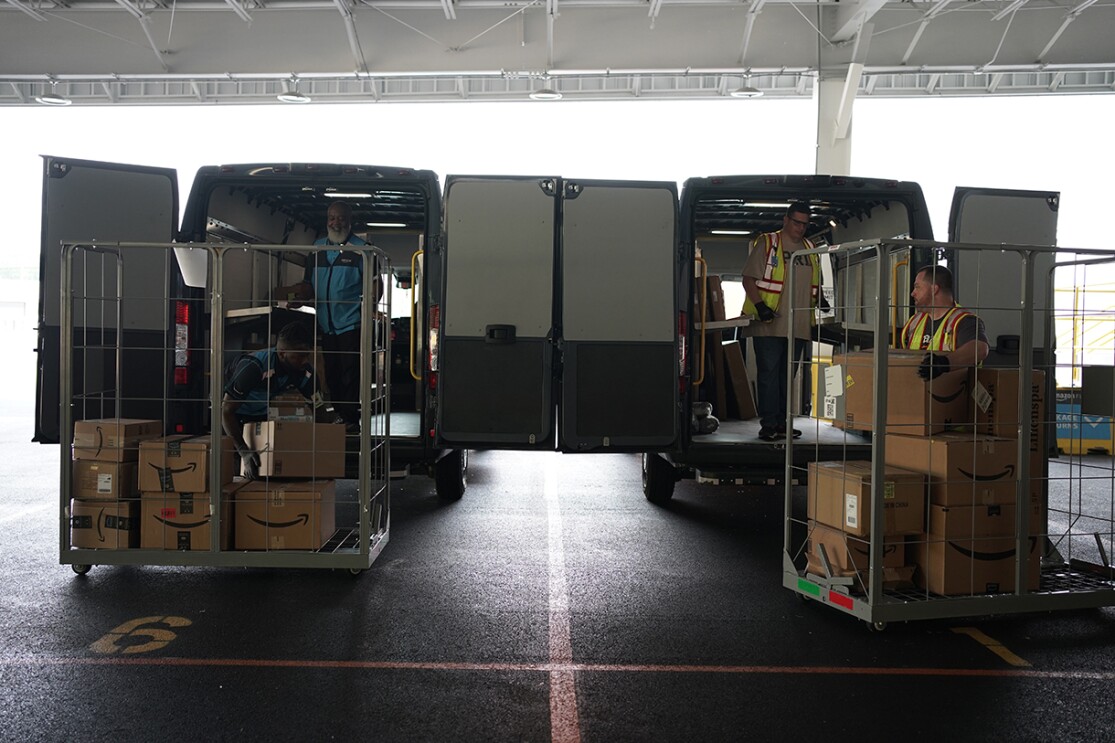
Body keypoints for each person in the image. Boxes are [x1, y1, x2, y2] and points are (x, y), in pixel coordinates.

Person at [741, 201, 825, 441]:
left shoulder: (810, 248)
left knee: (788, 377)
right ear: (785, 220)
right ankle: (768, 424)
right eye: (797, 222)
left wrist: (820, 299)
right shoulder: (768, 243)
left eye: (805, 224)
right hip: (769, 323)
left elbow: (813, 282)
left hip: (797, 326)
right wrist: (760, 306)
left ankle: (782, 424)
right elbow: (748, 279)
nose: (800, 228)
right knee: (769, 374)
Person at [283, 200, 368, 427]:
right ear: (327, 220)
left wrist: (369, 308)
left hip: (351, 322)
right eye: (332, 217)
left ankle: (351, 418)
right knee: (331, 372)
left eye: (340, 218)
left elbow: (374, 285)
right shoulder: (317, 248)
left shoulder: (361, 250)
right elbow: (308, 284)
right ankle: (340, 413)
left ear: (350, 222)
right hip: (326, 323)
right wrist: (297, 299)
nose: (336, 222)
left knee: (350, 373)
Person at [221, 321, 317, 478]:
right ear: (281, 353)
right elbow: (226, 412)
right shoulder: (254, 367)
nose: (305, 360)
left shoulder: (305, 371)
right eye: (299, 356)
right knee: (237, 470)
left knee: (263, 471)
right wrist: (243, 452)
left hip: (260, 413)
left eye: (307, 355)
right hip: (232, 414)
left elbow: (318, 407)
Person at [899, 264, 989, 379]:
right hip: (915, 392)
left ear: (934, 289)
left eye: (917, 287)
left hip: (953, 393)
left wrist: (943, 364)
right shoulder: (914, 322)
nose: (913, 293)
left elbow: (980, 349)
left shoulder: (964, 321)